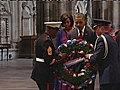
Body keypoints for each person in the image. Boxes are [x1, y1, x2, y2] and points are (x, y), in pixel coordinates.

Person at [85, 19, 120, 90]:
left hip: (107, 76)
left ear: (101, 28)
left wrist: (89, 56)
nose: (95, 31)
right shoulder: (112, 40)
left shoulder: (102, 39)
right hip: (115, 76)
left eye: (96, 28)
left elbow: (97, 57)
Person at [68, 13, 96, 90]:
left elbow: (94, 49)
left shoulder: (91, 33)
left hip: (88, 66)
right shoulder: (71, 34)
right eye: (76, 23)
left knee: (89, 87)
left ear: (85, 21)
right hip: (76, 66)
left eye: (80, 22)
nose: (78, 25)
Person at [31, 21, 62, 90]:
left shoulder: (41, 38)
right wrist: (60, 58)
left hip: (39, 71)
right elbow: (49, 60)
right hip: (45, 74)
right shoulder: (47, 41)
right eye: (56, 31)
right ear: (51, 30)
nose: (57, 34)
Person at [54, 13, 74, 90]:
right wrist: (60, 54)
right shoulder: (60, 33)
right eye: (64, 23)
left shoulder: (75, 32)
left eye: (68, 22)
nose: (66, 24)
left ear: (71, 22)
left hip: (73, 59)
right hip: (63, 59)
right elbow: (57, 46)